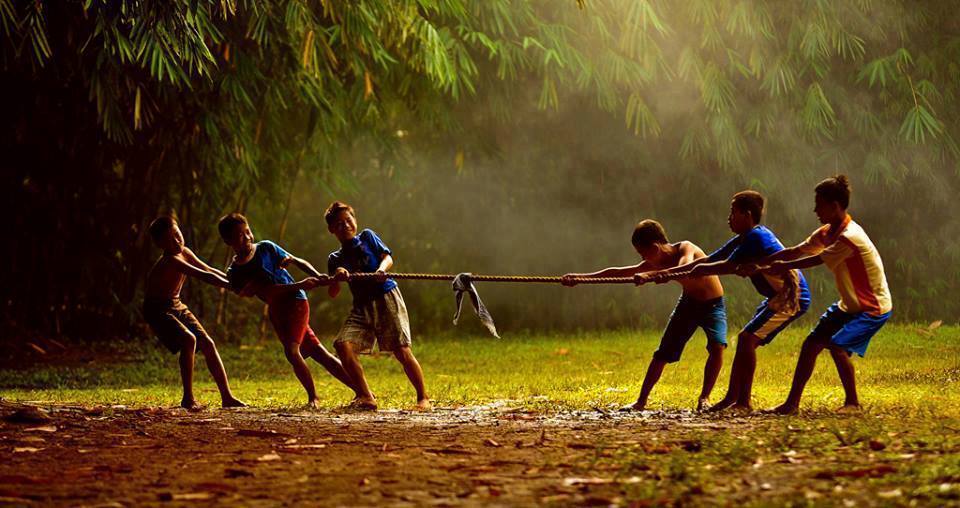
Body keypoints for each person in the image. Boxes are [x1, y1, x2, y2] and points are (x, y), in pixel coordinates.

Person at [645, 191, 811, 413]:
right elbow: (711, 259)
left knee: (746, 340)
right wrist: (670, 272)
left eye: (733, 212)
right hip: (777, 297)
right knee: (745, 340)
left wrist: (675, 272)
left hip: (792, 297)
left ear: (747, 215)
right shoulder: (746, 237)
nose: (729, 217)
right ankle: (733, 398)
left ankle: (743, 401)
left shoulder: (755, 238)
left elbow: (721, 267)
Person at [739, 175, 892, 414]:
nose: (815, 209)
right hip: (849, 305)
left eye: (819, 204)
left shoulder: (849, 237)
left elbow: (815, 260)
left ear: (834, 206)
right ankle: (791, 404)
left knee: (837, 347)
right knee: (810, 345)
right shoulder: (827, 232)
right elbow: (796, 251)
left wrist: (773, 266)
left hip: (872, 307)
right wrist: (761, 264)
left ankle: (853, 403)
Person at [562, 219, 727, 411]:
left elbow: (686, 269)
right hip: (688, 305)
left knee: (717, 347)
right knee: (662, 354)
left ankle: (704, 398)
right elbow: (619, 273)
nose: (643, 260)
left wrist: (653, 275)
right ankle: (641, 401)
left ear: (656, 248)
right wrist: (580, 278)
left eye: (643, 253)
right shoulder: (654, 263)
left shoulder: (685, 248)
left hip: (713, 305)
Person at [218, 213, 360, 408]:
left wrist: (318, 276)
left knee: (292, 352)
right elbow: (266, 291)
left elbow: (296, 260)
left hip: (296, 302)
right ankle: (363, 391)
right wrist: (300, 284)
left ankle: (314, 398)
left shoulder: (266, 248)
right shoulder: (235, 272)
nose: (248, 237)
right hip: (277, 310)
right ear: (228, 241)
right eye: (240, 236)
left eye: (248, 232)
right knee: (319, 353)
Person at [324, 201, 431, 411]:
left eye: (348, 220)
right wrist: (337, 277)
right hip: (361, 307)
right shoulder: (335, 258)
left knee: (401, 351)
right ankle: (366, 396)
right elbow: (333, 292)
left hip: (386, 297)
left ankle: (423, 398)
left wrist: (381, 270)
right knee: (342, 345)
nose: (345, 225)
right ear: (331, 230)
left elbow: (387, 257)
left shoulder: (367, 237)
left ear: (355, 220)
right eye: (338, 224)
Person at [143, 216, 245, 409]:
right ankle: (188, 398)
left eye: (177, 235)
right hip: (157, 308)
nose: (176, 241)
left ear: (181, 231)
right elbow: (203, 275)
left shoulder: (185, 252)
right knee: (189, 340)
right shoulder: (170, 260)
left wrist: (236, 282)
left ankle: (227, 397)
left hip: (176, 304)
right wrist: (234, 288)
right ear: (159, 244)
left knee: (207, 343)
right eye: (168, 240)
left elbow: (208, 269)